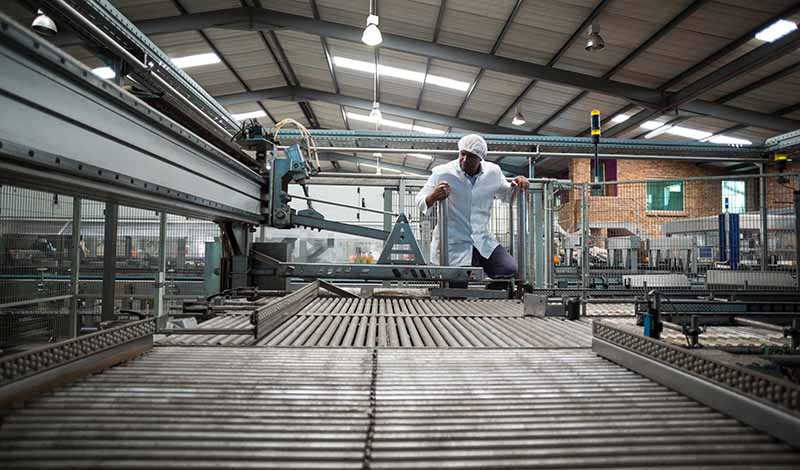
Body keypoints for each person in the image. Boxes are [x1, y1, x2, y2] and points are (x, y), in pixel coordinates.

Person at [415, 134, 529, 287]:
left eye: (471, 156)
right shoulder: (443, 172)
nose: (464, 159)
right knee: (457, 288)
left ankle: (489, 295)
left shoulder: (493, 172)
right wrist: (433, 197)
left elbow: (507, 195)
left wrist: (519, 183)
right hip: (452, 241)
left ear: (480, 159)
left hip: (481, 238)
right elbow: (420, 199)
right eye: (462, 154)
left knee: (509, 269)